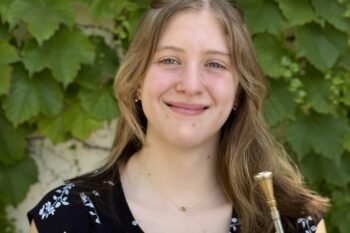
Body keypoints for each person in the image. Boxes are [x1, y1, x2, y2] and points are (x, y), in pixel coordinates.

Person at [28, 0, 329, 232]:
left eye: (215, 64)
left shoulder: (294, 219)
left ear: (238, 91)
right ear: (137, 80)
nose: (190, 85)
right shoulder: (66, 216)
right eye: (169, 60)